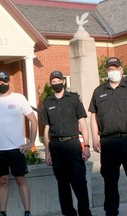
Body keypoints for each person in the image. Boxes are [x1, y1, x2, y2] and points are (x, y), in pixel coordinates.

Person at [0, 71, 37, 216]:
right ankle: (3, 212)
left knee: (20, 179)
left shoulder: (19, 98)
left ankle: (27, 212)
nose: (2, 84)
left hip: (17, 149)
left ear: (9, 82)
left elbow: (33, 121)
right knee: (3, 180)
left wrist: (31, 142)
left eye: (5, 81)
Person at [42, 71, 92, 216]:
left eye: (59, 80)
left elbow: (83, 123)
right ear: (51, 83)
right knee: (62, 185)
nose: (56, 82)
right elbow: (46, 129)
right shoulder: (48, 102)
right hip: (56, 147)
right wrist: (47, 152)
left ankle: (85, 213)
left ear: (64, 81)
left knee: (79, 183)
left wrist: (87, 146)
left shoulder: (74, 99)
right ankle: (69, 213)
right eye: (53, 80)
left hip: (73, 145)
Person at [89, 57, 127, 216]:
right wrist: (94, 138)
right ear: (106, 71)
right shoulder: (99, 91)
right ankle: (111, 211)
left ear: (121, 70)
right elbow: (93, 116)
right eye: (110, 69)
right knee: (110, 179)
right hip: (108, 142)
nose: (113, 71)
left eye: (116, 68)